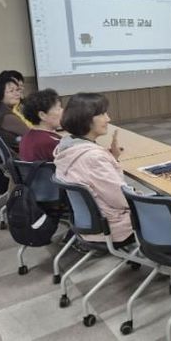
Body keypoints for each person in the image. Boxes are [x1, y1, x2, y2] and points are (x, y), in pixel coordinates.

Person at [54, 93, 132, 243]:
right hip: (112, 226)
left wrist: (112, 158)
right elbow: (122, 199)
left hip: (88, 222)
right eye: (102, 114)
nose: (108, 119)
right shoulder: (93, 158)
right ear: (86, 118)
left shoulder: (66, 147)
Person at [0, 70, 31, 154]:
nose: (17, 94)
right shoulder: (7, 116)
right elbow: (34, 137)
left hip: (6, 158)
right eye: (11, 91)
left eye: (17, 90)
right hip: (18, 159)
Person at [19, 89, 63, 162]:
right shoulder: (50, 143)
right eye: (58, 108)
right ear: (42, 115)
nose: (62, 111)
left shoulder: (26, 138)